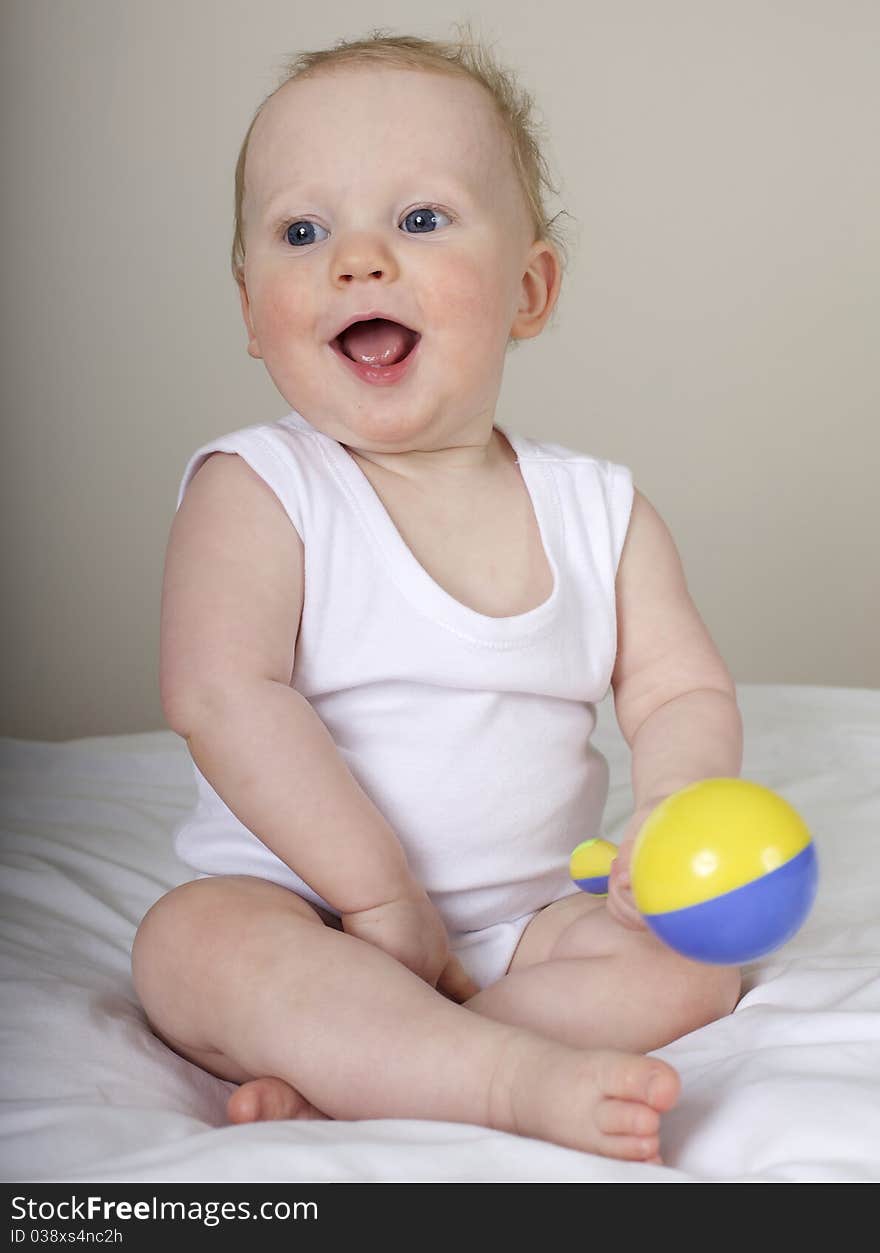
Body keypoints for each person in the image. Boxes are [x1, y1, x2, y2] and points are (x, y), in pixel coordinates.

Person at [132, 27, 743, 1165]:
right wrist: (374, 901)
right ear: (250, 307)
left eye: (419, 220)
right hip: (302, 903)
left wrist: (677, 799)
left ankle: (391, 1065)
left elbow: (678, 687)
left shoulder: (595, 509)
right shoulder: (260, 488)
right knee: (190, 944)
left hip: (521, 927)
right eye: (301, 230)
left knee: (694, 963)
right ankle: (496, 1077)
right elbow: (220, 693)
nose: (356, 259)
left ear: (529, 287)